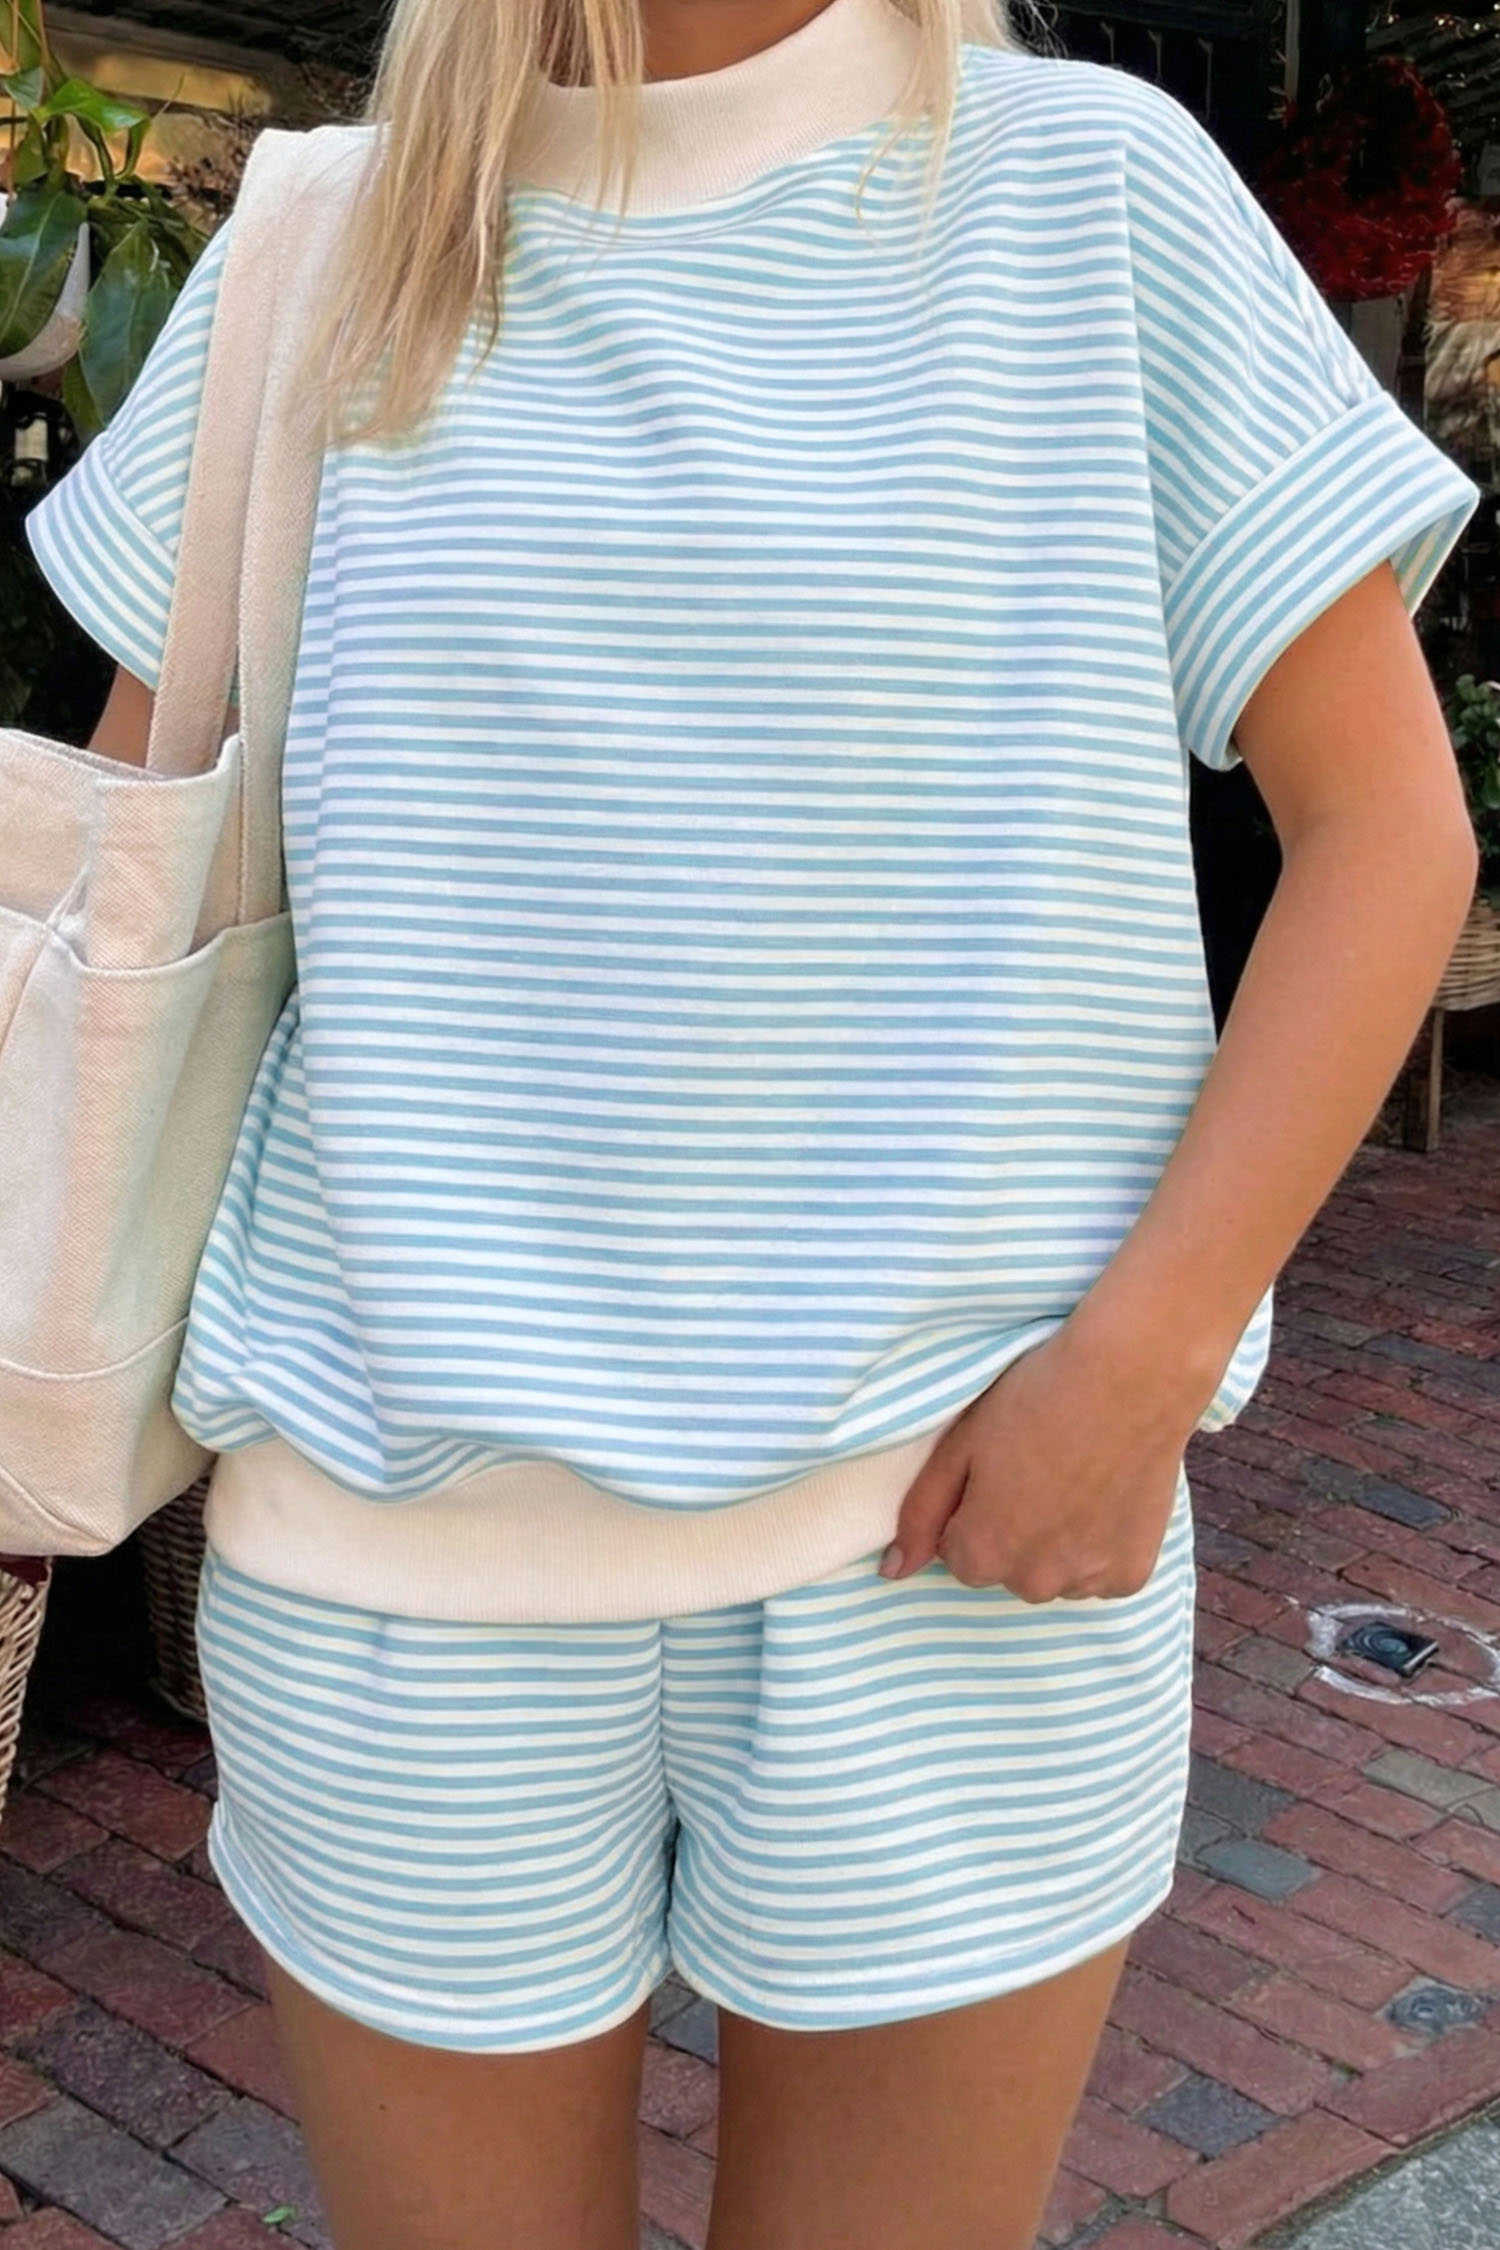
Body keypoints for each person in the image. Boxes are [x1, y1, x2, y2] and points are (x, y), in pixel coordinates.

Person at [24, 0, 1482, 2242]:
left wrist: (1144, 1365)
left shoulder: (1091, 193)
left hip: (966, 1545)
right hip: (395, 1567)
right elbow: (140, 878)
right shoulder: (326, 242)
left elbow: (1388, 832)